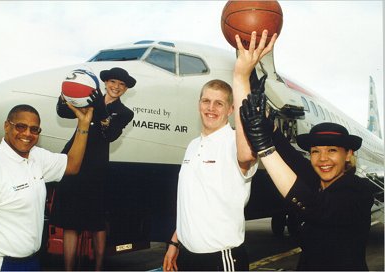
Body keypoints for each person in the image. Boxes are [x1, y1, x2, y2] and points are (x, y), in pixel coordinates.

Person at [239, 60, 374, 269]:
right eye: (315, 152)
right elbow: (290, 155)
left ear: (348, 155)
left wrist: (264, 148)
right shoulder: (317, 182)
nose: (322, 159)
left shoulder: (358, 191)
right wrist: (266, 122)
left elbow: (315, 206)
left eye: (332, 151)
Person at [163, 30, 277, 271]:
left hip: (221, 260)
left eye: (219, 103)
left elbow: (246, 155)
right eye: (206, 101)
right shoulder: (193, 146)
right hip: (187, 256)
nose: (211, 108)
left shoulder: (234, 143)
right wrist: (175, 241)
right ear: (198, 104)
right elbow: (193, 202)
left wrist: (241, 76)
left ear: (230, 109)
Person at [0, 103, 93, 271]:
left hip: (33, 262)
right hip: (1, 265)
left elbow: (72, 165)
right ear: (7, 126)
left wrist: (83, 124)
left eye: (34, 129)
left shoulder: (37, 157)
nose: (27, 133)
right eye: (21, 126)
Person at [51, 67, 135, 271]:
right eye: (113, 82)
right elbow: (63, 112)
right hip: (73, 160)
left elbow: (110, 134)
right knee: (71, 222)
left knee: (97, 222)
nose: (117, 87)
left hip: (96, 169)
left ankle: (98, 268)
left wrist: (99, 107)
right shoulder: (88, 98)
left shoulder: (125, 113)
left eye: (122, 84)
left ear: (125, 89)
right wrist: (65, 95)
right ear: (105, 83)